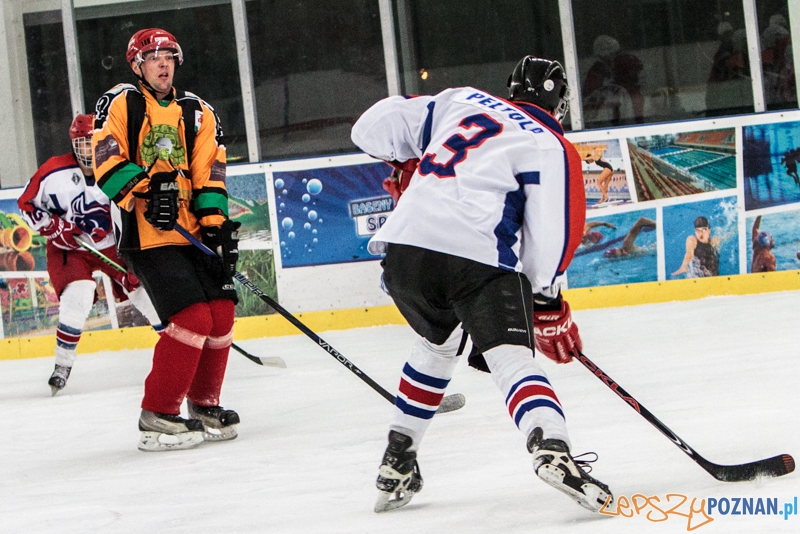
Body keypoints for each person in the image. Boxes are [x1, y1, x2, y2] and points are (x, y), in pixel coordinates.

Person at [351, 56, 612, 514]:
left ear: (511, 88)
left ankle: (398, 458)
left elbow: (370, 127)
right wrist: (546, 301)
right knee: (511, 358)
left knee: (437, 345)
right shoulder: (551, 143)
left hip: (405, 251)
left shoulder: (463, 100)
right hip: (474, 257)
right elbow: (555, 232)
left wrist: (409, 157)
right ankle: (551, 447)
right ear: (561, 103)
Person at [92, 28, 241, 451]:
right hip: (146, 235)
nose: (162, 63)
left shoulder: (196, 110)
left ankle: (204, 403)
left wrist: (214, 225)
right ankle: (157, 413)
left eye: (168, 57)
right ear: (137, 65)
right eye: (153, 57)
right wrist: (146, 188)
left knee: (222, 313)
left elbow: (209, 170)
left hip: (190, 232)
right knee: (192, 318)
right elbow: (106, 157)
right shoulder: (122, 101)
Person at [17, 114, 163, 396]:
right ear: (73, 143)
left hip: (112, 244)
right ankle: (63, 365)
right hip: (70, 247)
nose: (88, 148)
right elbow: (26, 203)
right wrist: (53, 226)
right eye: (82, 142)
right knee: (79, 294)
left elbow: (138, 205)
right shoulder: (53, 171)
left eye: (93, 141)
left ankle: (177, 344)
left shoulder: (118, 167)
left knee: (144, 292)